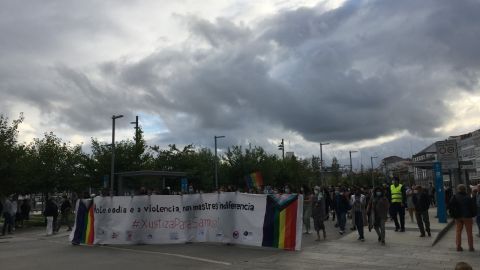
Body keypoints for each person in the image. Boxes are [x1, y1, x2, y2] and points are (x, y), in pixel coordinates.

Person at [448, 184, 476, 252]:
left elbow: (450, 207)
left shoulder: (454, 197)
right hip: (467, 217)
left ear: (458, 189)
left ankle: (458, 247)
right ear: (465, 189)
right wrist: (472, 215)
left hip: (458, 218)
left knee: (458, 232)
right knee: (469, 233)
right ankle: (471, 247)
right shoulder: (468, 197)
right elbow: (473, 207)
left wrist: (453, 216)